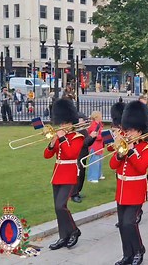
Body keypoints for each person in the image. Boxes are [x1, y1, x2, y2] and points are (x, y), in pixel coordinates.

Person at [110, 101, 148, 265]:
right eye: (127, 129)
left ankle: (138, 250)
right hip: (122, 190)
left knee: (130, 223)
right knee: (123, 224)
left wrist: (130, 151)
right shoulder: (124, 145)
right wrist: (120, 154)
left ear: (140, 130)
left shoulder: (147, 148)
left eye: (131, 130)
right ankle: (127, 254)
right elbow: (112, 165)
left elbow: (142, 167)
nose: (127, 133)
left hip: (136, 190)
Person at [44, 99, 84, 250]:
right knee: (57, 207)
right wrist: (53, 142)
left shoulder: (77, 137)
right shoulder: (60, 137)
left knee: (61, 206)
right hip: (57, 174)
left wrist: (62, 138)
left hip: (69, 174)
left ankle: (74, 230)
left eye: (65, 123)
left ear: (71, 123)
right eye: (60, 123)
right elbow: (47, 155)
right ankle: (63, 236)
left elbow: (71, 153)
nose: (62, 126)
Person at [71, 113, 95, 203]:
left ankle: (78, 191)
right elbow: (82, 143)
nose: (84, 121)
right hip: (78, 155)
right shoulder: (76, 131)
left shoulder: (83, 130)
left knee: (82, 175)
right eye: (82, 120)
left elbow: (88, 143)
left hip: (84, 155)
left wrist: (93, 138)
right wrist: (90, 137)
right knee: (78, 175)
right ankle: (74, 194)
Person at [86, 111, 104, 183]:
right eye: (100, 116)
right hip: (94, 145)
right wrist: (103, 136)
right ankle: (92, 177)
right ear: (96, 117)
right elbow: (94, 136)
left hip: (99, 145)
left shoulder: (99, 124)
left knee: (99, 161)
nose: (101, 117)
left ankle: (99, 175)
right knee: (94, 162)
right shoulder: (93, 125)